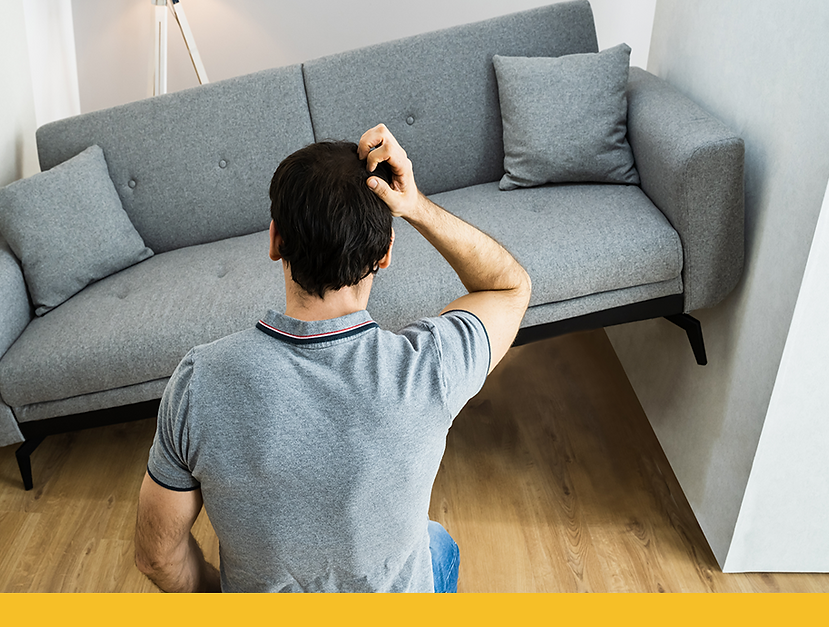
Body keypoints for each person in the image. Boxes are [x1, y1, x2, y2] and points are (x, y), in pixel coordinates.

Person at [134, 124, 531, 592]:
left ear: (275, 240)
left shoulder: (199, 381)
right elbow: (509, 287)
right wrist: (415, 205)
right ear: (384, 255)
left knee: (433, 538)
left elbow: (156, 557)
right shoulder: (431, 368)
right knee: (437, 541)